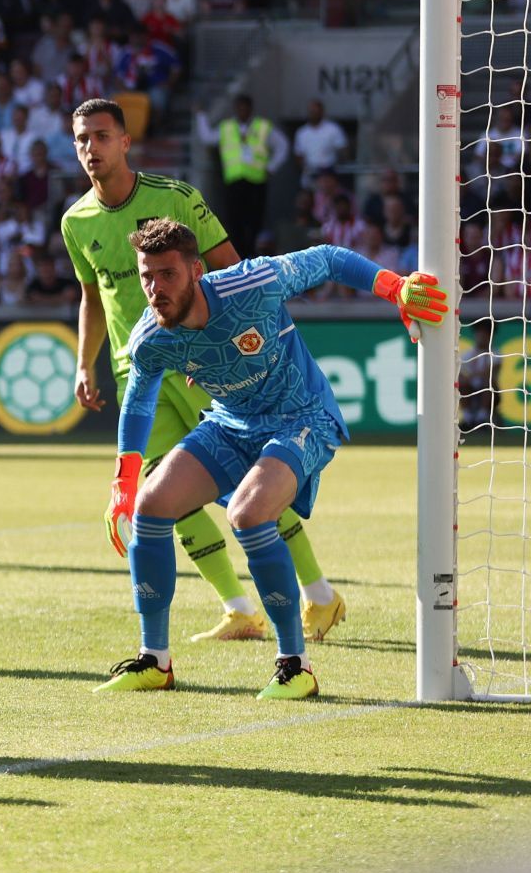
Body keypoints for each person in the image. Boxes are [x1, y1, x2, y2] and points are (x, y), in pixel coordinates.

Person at [97, 217, 446, 698]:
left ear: (197, 270)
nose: (155, 289)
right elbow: (138, 403)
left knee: (248, 513)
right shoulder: (151, 338)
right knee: (151, 506)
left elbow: (328, 258)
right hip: (231, 424)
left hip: (302, 417)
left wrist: (393, 287)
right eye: (146, 277)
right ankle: (155, 660)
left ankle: (294, 666)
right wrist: (124, 482)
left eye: (167, 275)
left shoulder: (252, 284)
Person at [64, 98, 338, 644]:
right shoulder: (76, 221)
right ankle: (238, 608)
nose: (90, 149)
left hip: (197, 363)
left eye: (100, 136)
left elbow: (231, 268)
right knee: (162, 493)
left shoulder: (175, 198)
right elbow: (91, 296)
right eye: (81, 140)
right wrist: (84, 362)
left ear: (124, 141)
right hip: (136, 370)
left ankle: (318, 594)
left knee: (249, 485)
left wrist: (225, 346)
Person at [195, 94, 285, 254]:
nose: (242, 111)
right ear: (235, 109)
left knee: (255, 221)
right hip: (234, 181)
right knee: (234, 221)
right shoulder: (227, 127)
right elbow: (207, 137)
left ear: (251, 109)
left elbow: (282, 145)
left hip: (256, 181)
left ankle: (253, 254)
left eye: (245, 108)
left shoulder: (262, 126)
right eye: (240, 108)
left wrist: (272, 167)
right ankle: (239, 256)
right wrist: (200, 115)